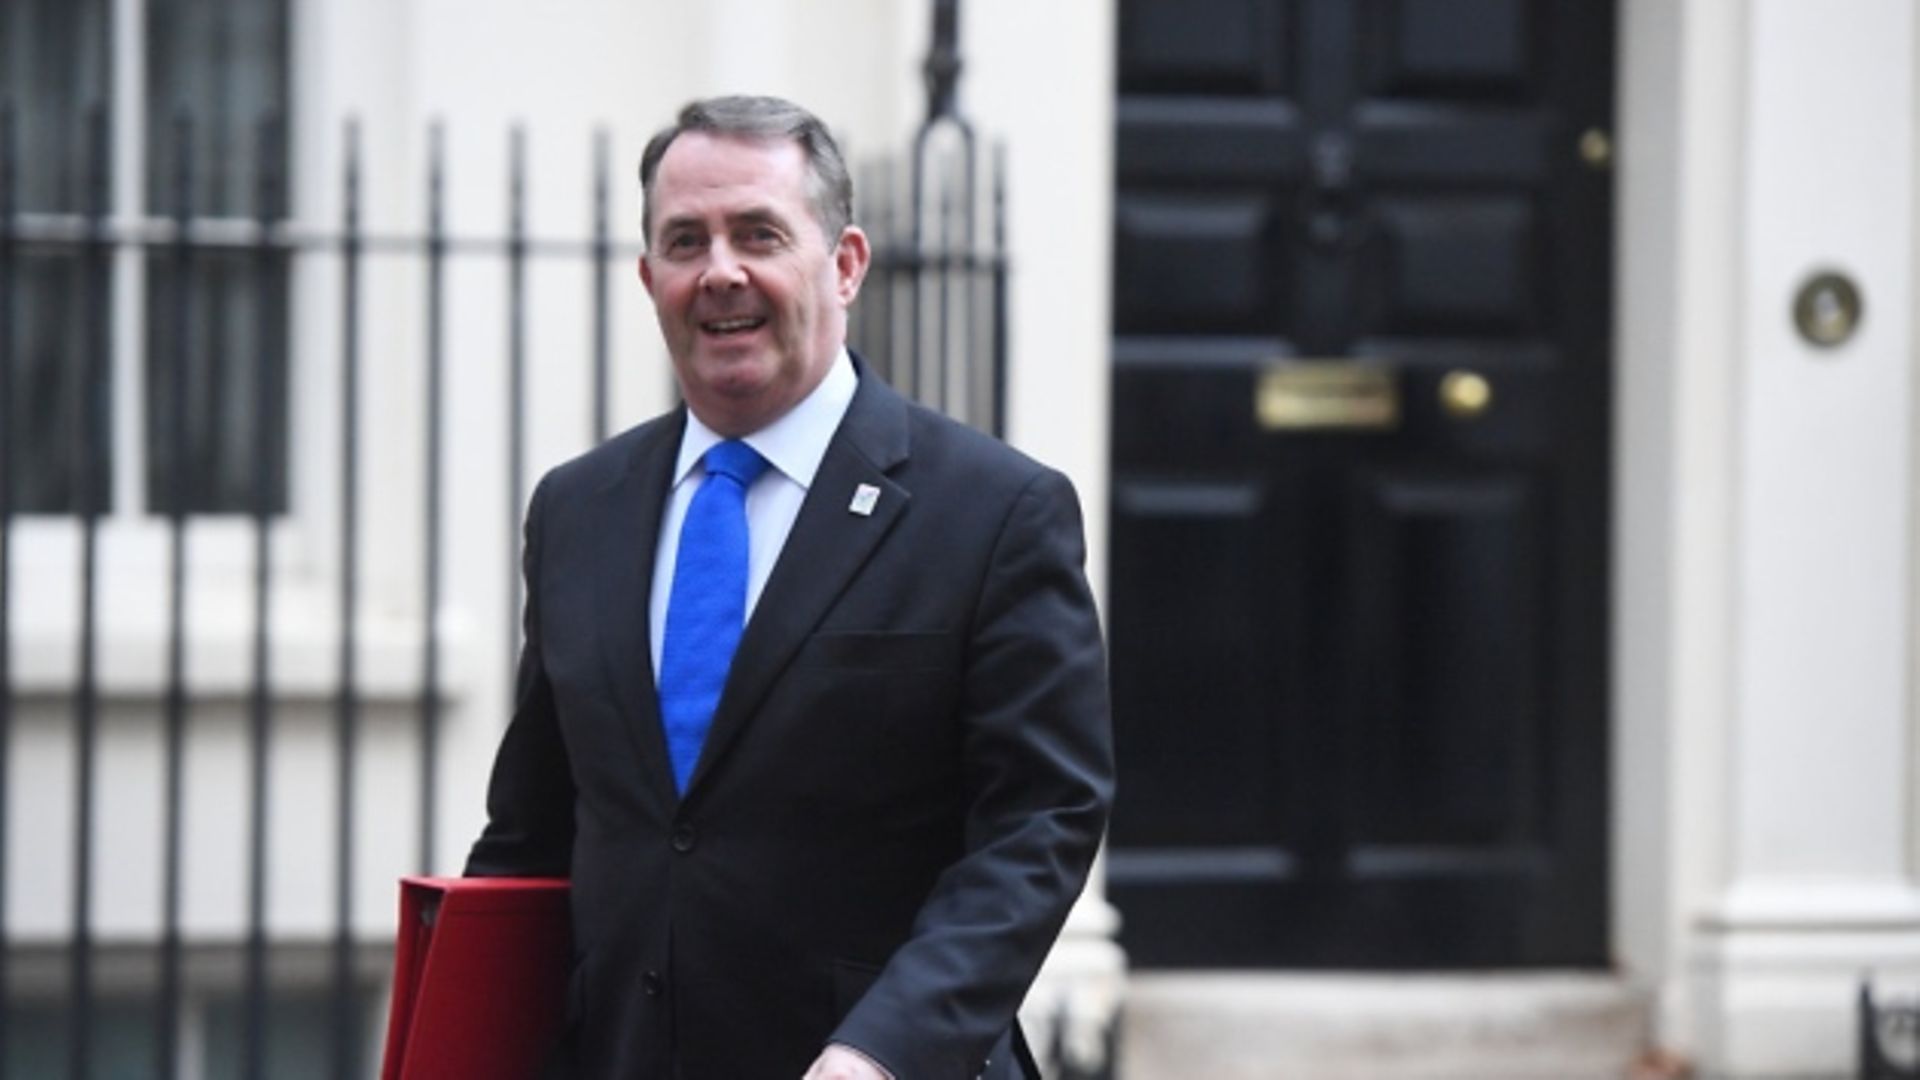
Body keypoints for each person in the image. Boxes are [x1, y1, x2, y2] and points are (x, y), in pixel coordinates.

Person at [465, 94, 1114, 1080]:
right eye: (686, 241)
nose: (720, 269)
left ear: (844, 264)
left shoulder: (993, 513)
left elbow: (1039, 824)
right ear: (650, 278)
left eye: (758, 234)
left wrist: (880, 1051)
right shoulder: (577, 511)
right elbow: (533, 834)